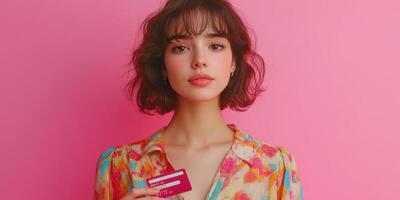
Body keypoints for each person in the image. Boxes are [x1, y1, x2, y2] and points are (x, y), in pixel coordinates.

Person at [94, 0, 303, 199]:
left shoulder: (273, 167)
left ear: (234, 62)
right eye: (180, 48)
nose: (199, 61)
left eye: (215, 46)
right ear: (162, 65)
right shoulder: (120, 166)